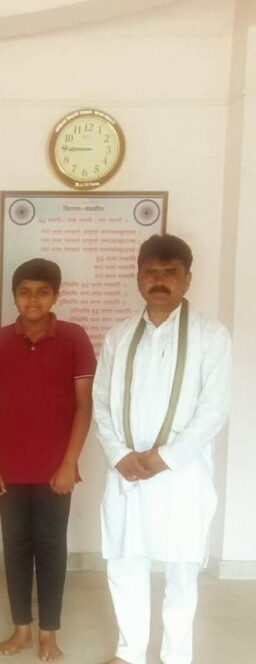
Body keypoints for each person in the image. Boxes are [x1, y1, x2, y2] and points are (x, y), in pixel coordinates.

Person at [92, 235, 231, 664]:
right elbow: (101, 400)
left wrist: (164, 457)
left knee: (182, 570)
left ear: (187, 279)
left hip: (182, 475)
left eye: (170, 273)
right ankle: (129, 651)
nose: (159, 281)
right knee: (125, 562)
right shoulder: (119, 336)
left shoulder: (211, 335)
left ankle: (176, 656)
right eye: (151, 272)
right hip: (127, 471)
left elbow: (214, 408)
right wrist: (118, 453)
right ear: (138, 277)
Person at [0, 258, 95, 662]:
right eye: (25, 292)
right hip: (7, 469)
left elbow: (84, 406)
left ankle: (48, 634)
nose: (33, 299)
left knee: (51, 548)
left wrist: (69, 463)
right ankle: (21, 629)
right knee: (15, 547)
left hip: (56, 469)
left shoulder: (75, 338)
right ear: (14, 296)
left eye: (42, 292)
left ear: (56, 296)